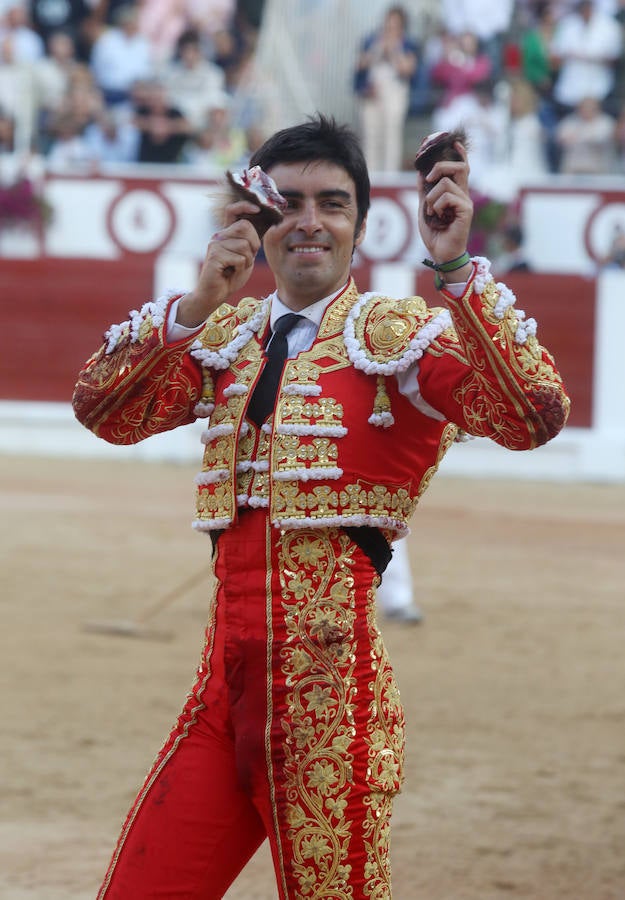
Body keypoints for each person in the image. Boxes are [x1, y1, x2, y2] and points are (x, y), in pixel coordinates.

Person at [73, 113, 570, 899]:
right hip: (220, 701)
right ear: (257, 225)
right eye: (289, 204)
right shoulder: (226, 333)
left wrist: (455, 269)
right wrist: (200, 297)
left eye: (332, 204)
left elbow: (532, 414)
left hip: (330, 710)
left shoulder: (397, 336)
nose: (310, 223)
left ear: (361, 226)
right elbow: (105, 412)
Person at [353, 5, 418, 172]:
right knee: (370, 135)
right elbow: (359, 65)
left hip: (394, 92)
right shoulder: (371, 39)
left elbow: (407, 69)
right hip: (372, 92)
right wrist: (377, 49)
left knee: (391, 134)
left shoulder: (408, 43)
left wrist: (394, 50)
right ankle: (369, 174)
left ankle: (390, 173)